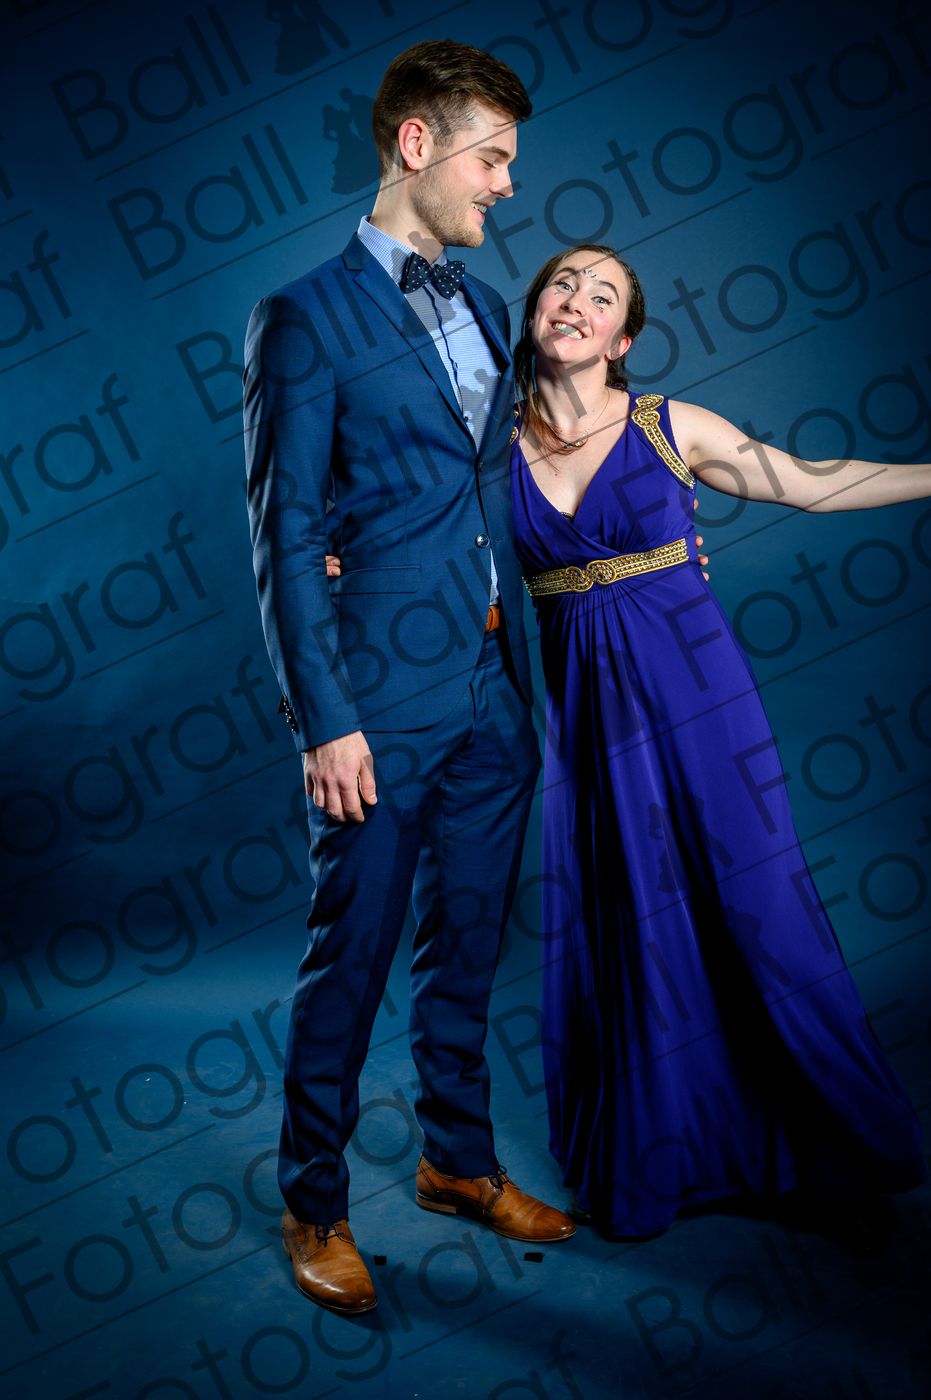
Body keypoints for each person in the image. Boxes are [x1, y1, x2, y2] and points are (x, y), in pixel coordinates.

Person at [242, 41, 575, 1317]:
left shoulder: (483, 307)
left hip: (496, 689)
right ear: (417, 144)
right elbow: (283, 529)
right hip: (376, 706)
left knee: (470, 940)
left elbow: (489, 478)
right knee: (353, 956)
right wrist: (324, 719)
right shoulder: (300, 315)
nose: (506, 185)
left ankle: (457, 1161)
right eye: (492, 158)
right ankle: (313, 1201)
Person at [503, 242, 929, 1240]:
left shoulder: (668, 425)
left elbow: (811, 483)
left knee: (754, 899)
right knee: (629, 913)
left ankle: (827, 1138)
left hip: (701, 703)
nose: (575, 301)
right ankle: (667, 1149)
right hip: (588, 721)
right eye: (562, 283)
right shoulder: (489, 447)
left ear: (622, 338)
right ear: (535, 310)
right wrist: (341, 566)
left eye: (600, 295)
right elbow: (424, 548)